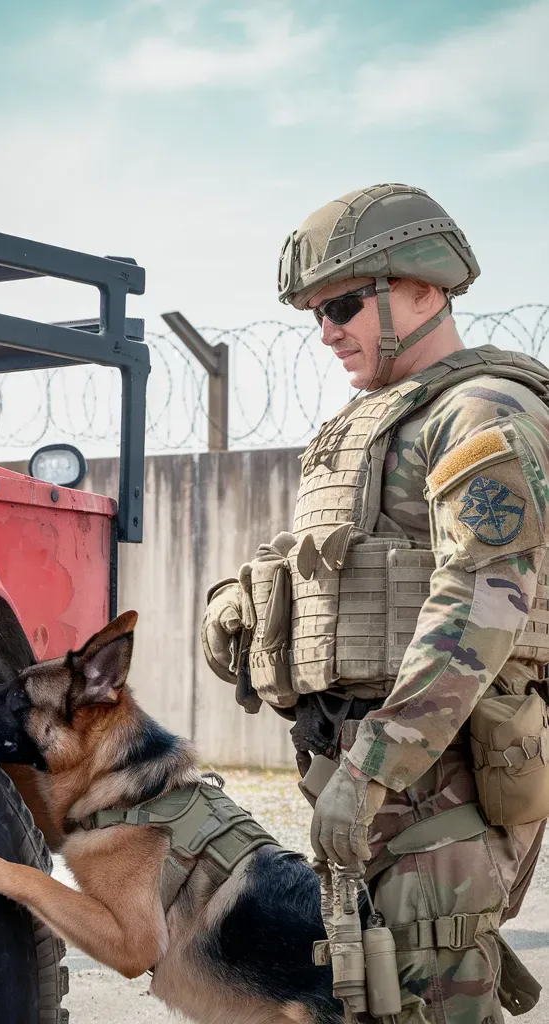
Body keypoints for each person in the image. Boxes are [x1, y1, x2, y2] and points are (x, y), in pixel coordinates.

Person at [201, 184, 549, 1023]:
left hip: (436, 779)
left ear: (423, 287)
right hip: (364, 776)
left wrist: (375, 769)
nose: (326, 331)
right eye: (316, 314)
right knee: (371, 999)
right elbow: (343, 568)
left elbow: (485, 597)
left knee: (426, 997)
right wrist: (250, 608)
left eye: (344, 304)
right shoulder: (374, 425)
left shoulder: (482, 411)